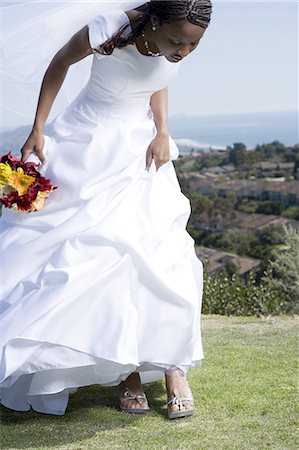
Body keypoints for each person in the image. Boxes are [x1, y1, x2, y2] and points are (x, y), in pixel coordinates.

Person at [0, 0, 212, 419]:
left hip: (143, 152)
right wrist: (38, 128)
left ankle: (174, 367)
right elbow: (59, 65)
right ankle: (126, 372)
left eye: (193, 46)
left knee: (163, 257)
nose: (183, 52)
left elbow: (159, 80)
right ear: (153, 21)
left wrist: (163, 132)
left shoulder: (172, 45)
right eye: (176, 41)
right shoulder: (108, 27)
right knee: (95, 257)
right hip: (90, 145)